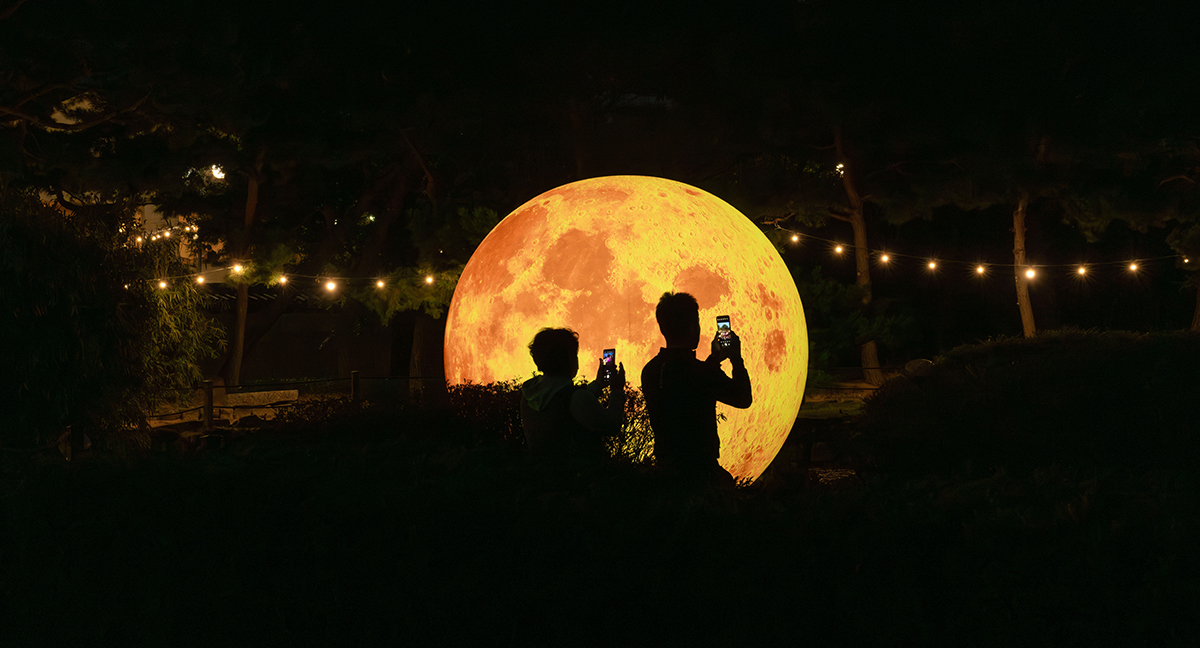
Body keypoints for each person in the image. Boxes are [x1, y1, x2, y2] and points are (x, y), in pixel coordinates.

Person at [640, 292, 752, 485]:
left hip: (666, 468)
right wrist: (735, 358)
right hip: (700, 471)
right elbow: (743, 398)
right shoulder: (701, 372)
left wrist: (713, 361)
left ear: (663, 328)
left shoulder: (650, 370)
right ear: (693, 327)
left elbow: (684, 381)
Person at [520, 327, 626, 460]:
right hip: (577, 471)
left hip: (542, 469)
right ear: (568, 359)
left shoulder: (530, 394)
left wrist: (598, 385)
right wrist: (617, 391)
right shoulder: (576, 398)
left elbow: (562, 399)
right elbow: (611, 425)